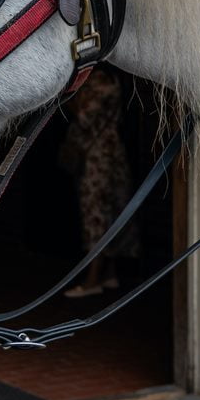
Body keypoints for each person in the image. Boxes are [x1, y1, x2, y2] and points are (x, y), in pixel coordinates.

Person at [59, 68, 140, 298]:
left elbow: (83, 115)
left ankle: (92, 279)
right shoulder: (107, 79)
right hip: (106, 152)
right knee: (109, 209)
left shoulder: (100, 81)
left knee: (95, 213)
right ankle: (108, 273)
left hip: (98, 155)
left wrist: (65, 96)